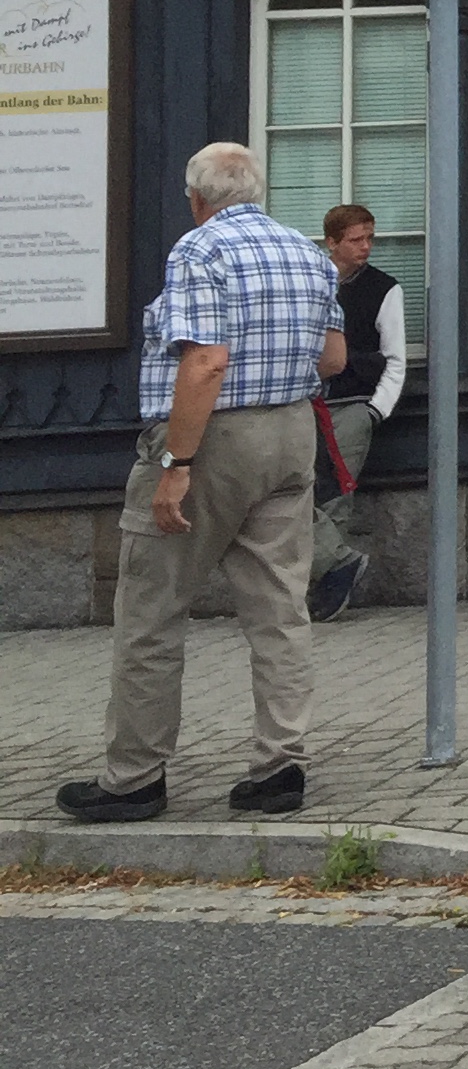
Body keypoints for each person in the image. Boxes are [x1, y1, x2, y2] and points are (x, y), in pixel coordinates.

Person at [56, 142, 344, 824]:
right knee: (280, 610)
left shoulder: (200, 249)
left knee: (151, 611)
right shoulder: (308, 253)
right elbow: (333, 358)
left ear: (197, 199)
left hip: (211, 439)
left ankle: (134, 777)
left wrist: (175, 465)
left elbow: (206, 362)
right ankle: (280, 767)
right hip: (291, 433)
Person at [308, 203, 402, 624]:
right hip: (306, 403)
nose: (365, 247)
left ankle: (328, 590)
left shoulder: (383, 289)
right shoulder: (311, 281)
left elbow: (395, 358)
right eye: (355, 240)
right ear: (332, 242)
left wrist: (374, 410)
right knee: (296, 492)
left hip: (351, 405)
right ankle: (332, 569)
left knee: (335, 498)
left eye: (369, 238)